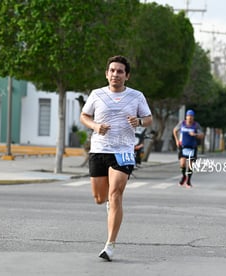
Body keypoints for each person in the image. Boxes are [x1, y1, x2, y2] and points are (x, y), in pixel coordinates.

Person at [80, 55, 152, 261]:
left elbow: (149, 119)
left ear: (126, 76)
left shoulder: (137, 96)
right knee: (100, 198)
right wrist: (95, 126)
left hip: (124, 151)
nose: (115, 74)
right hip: (99, 149)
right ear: (107, 74)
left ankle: (110, 245)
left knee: (116, 194)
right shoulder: (97, 94)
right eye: (112, 70)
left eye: (120, 71)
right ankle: (109, 204)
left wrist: (138, 121)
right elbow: (84, 116)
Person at [173, 109, 204, 187]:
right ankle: (184, 176)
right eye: (188, 116)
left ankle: (188, 181)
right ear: (186, 117)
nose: (189, 118)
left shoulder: (196, 125)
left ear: (193, 117)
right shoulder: (182, 123)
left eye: (191, 117)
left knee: (190, 165)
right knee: (182, 163)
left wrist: (195, 134)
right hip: (183, 146)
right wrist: (177, 140)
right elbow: (174, 130)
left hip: (192, 147)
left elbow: (202, 135)